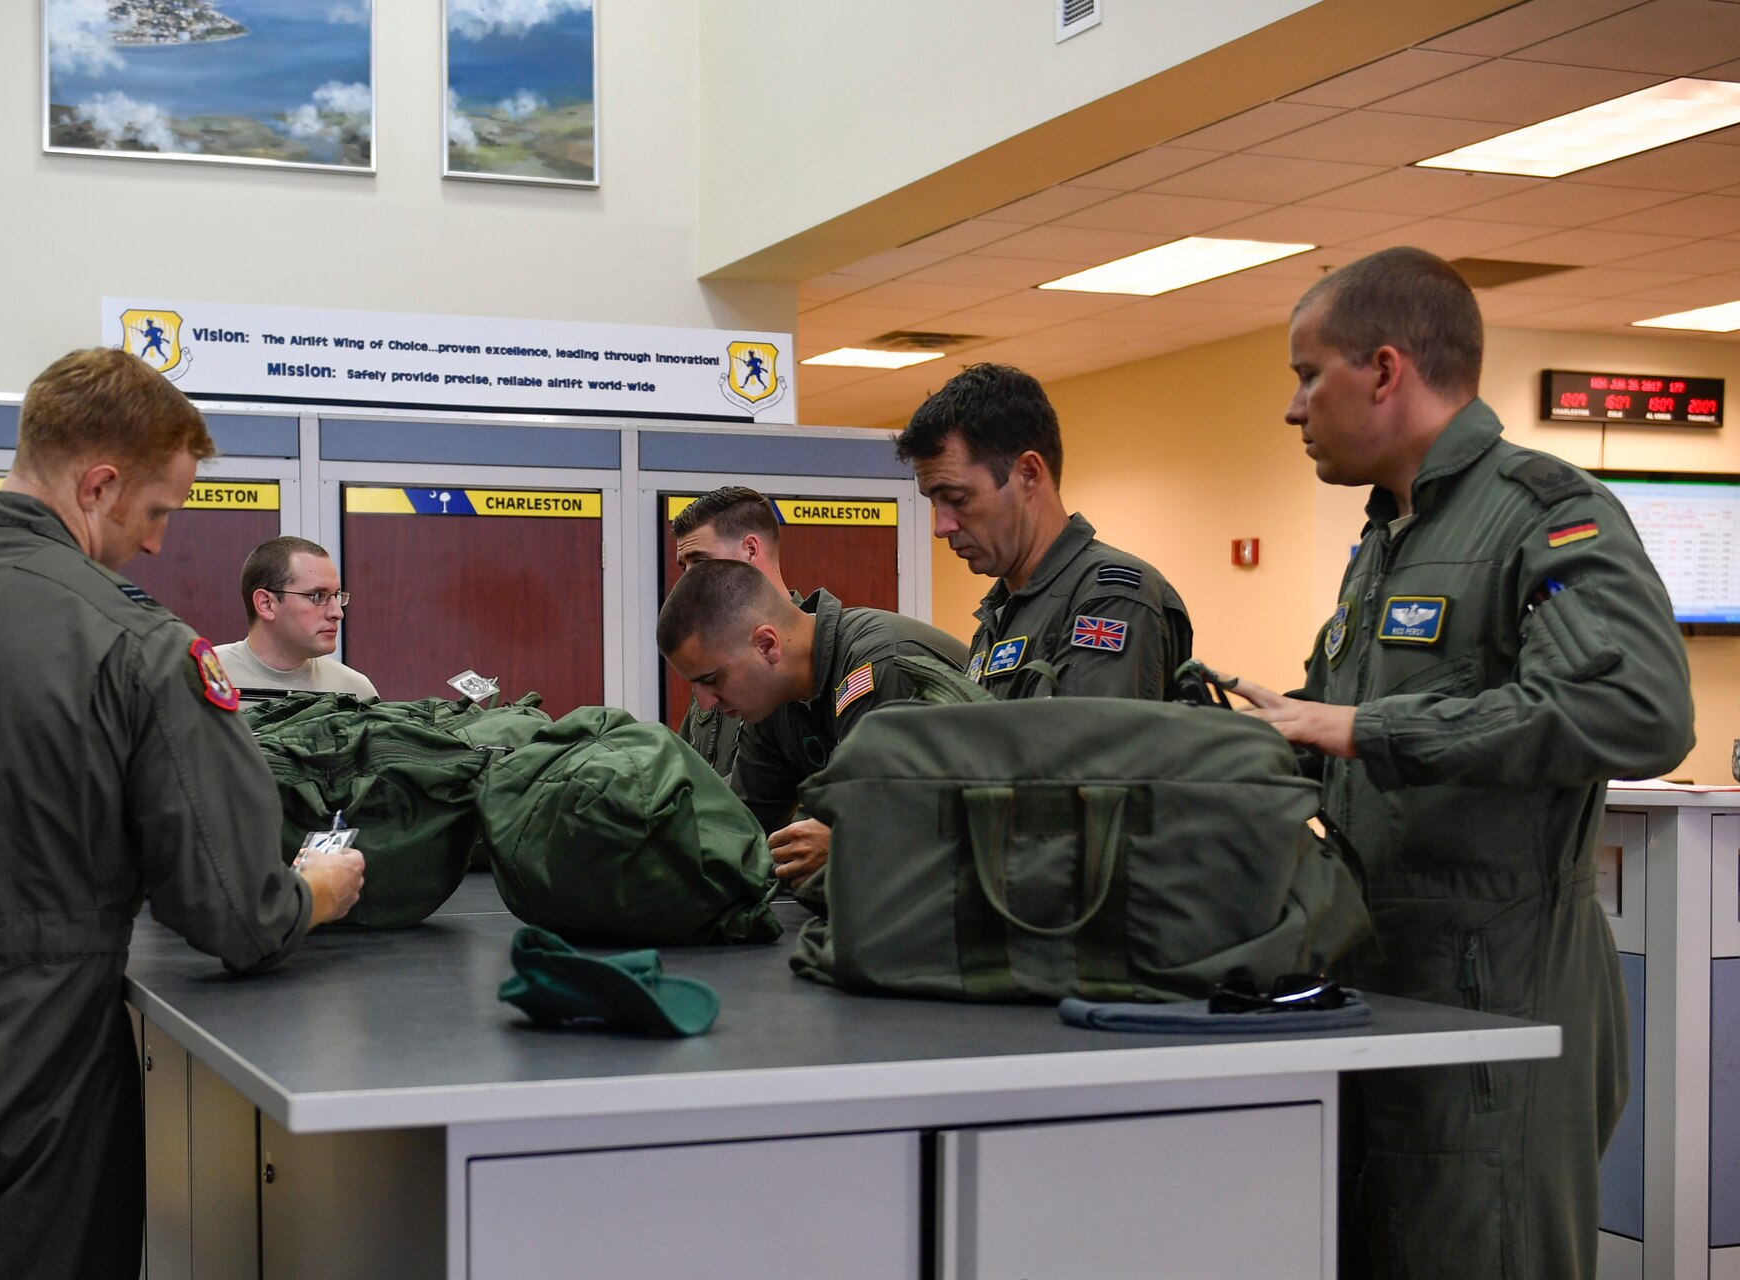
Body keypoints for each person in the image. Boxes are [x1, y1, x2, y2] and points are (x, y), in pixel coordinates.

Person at [0, 347, 367, 1280]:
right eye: (156, 511)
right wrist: (311, 893)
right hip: (35, 1078)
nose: (156, 544)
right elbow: (232, 910)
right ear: (98, 485)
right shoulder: (137, 646)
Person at [1222, 247, 1693, 1280]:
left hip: (1495, 995)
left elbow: (1635, 708)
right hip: (1388, 977)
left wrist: (1366, 728)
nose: (1294, 409)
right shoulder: (1389, 538)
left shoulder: (1536, 511)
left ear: (1384, 370)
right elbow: (1336, 732)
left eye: (1308, 375)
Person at [657, 559, 968, 887]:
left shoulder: (881, 666)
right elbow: (740, 825)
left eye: (712, 679)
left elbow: (850, 829)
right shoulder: (774, 698)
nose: (705, 702)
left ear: (767, 645)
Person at [894, 362, 1192, 700]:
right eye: (935, 504)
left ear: (1029, 473)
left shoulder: (1109, 597)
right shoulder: (1003, 611)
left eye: (957, 499)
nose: (941, 527)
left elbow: (1082, 743)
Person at [669, 486, 799, 777]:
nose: (688, 580)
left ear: (751, 550)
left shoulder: (812, 653)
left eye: (700, 561)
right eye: (684, 566)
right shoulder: (713, 651)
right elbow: (685, 770)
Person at [215, 536, 378, 698]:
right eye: (319, 596)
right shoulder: (202, 678)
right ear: (266, 604)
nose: (337, 613)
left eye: (336, 595)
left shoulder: (355, 692)